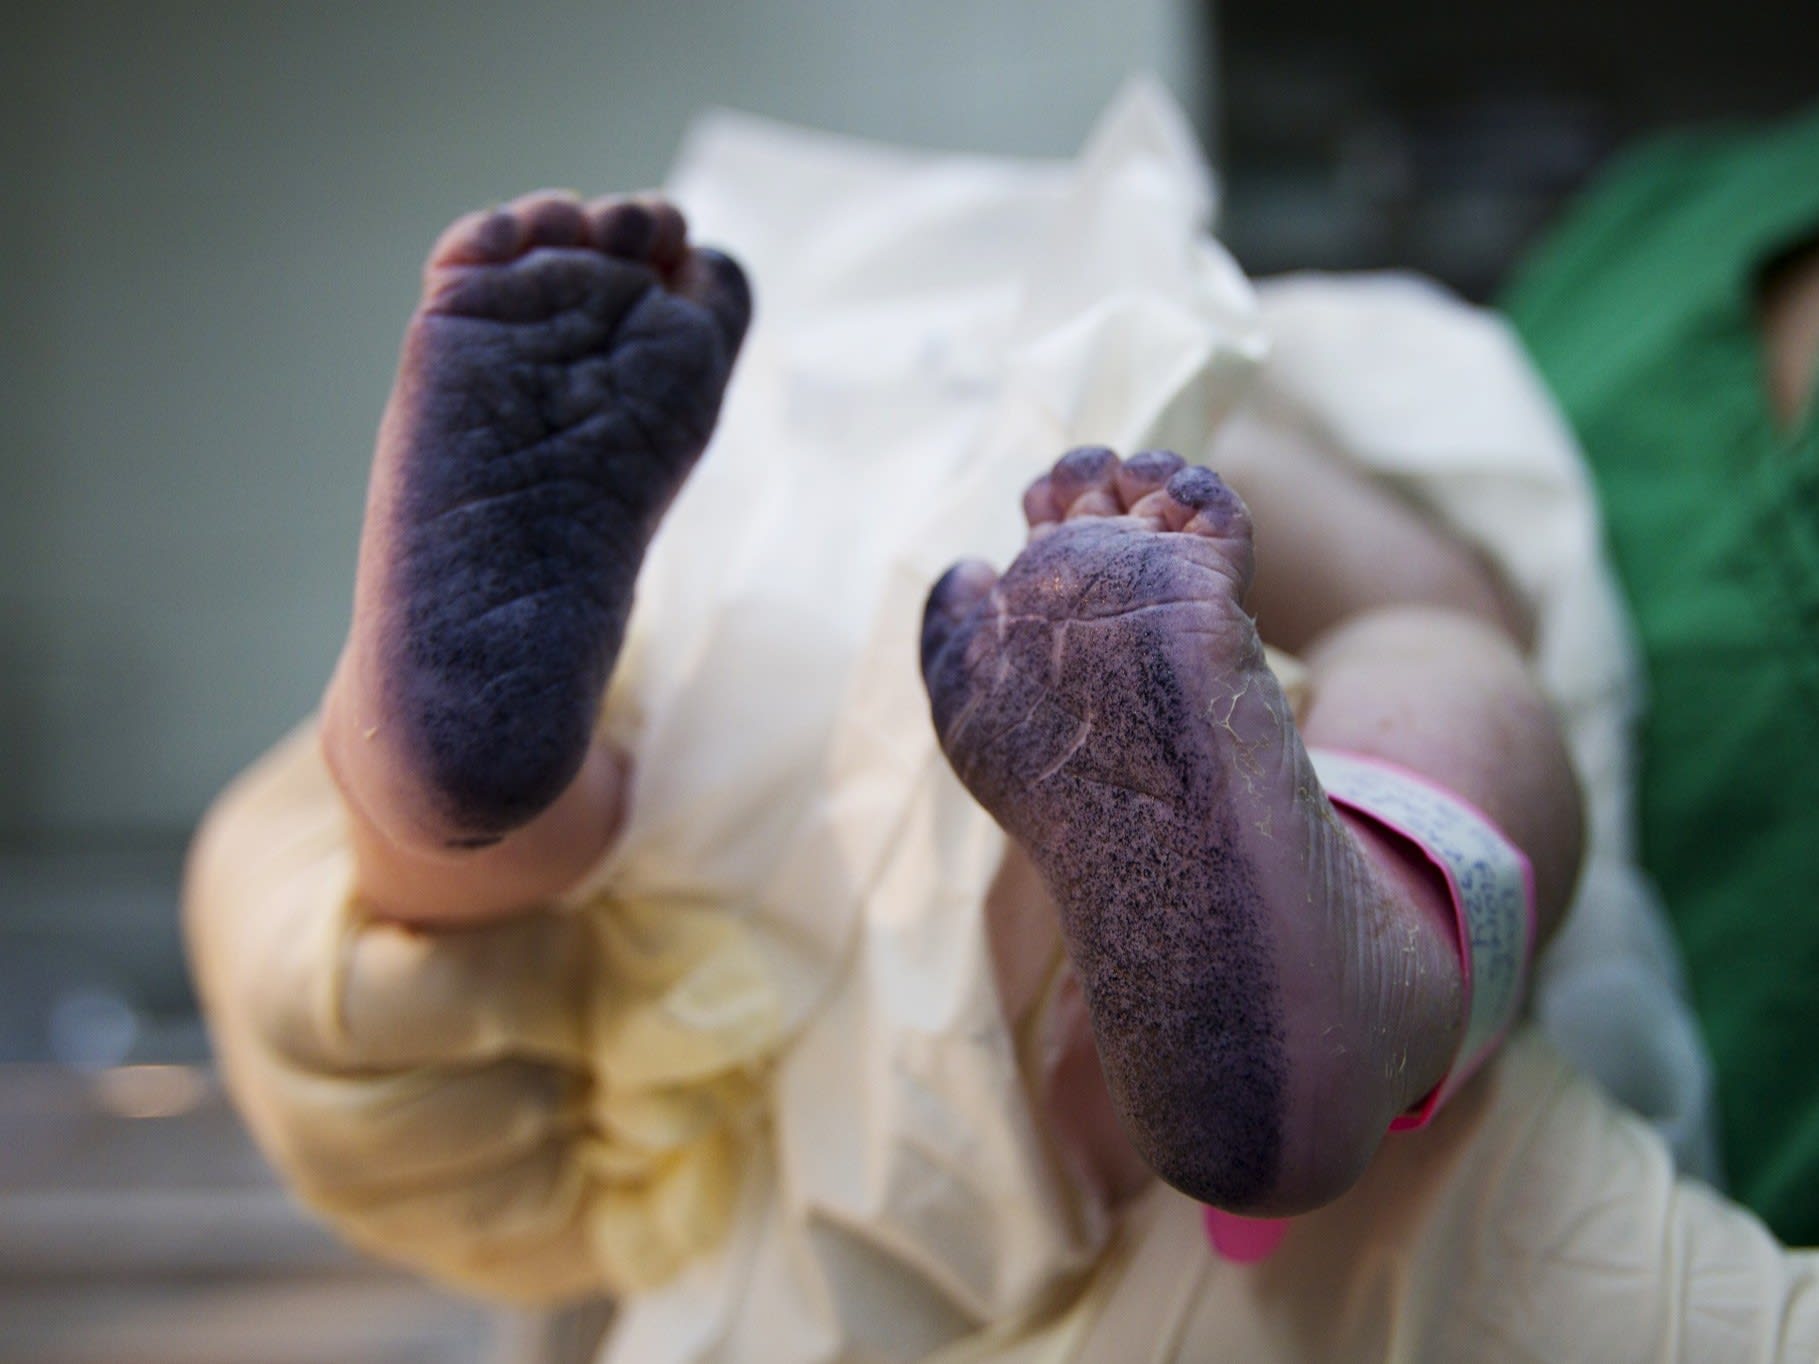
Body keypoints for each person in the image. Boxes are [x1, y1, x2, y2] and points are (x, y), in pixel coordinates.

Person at [185, 92, 1819, 1360]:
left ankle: (442, 800)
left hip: (710, 1057)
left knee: (577, 882)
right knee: (1437, 624)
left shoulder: (886, 344)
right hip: (1043, 1005)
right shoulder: (1339, 382)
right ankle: (1379, 966)